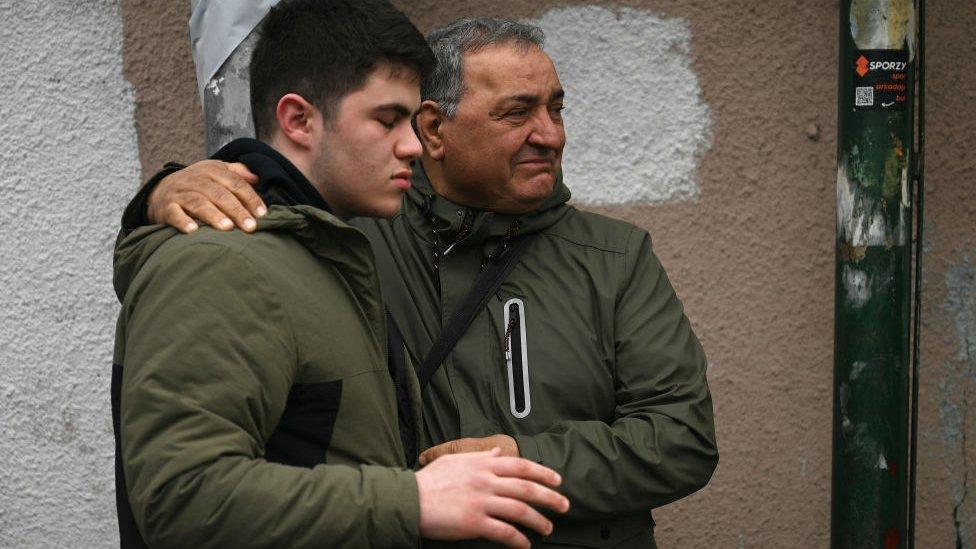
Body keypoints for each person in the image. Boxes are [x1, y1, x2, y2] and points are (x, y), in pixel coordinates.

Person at [123, 17, 718, 548]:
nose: (552, 135)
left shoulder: (613, 256)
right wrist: (159, 197)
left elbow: (682, 439)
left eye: (556, 109)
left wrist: (519, 461)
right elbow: (222, 257)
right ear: (435, 130)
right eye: (518, 112)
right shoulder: (355, 235)